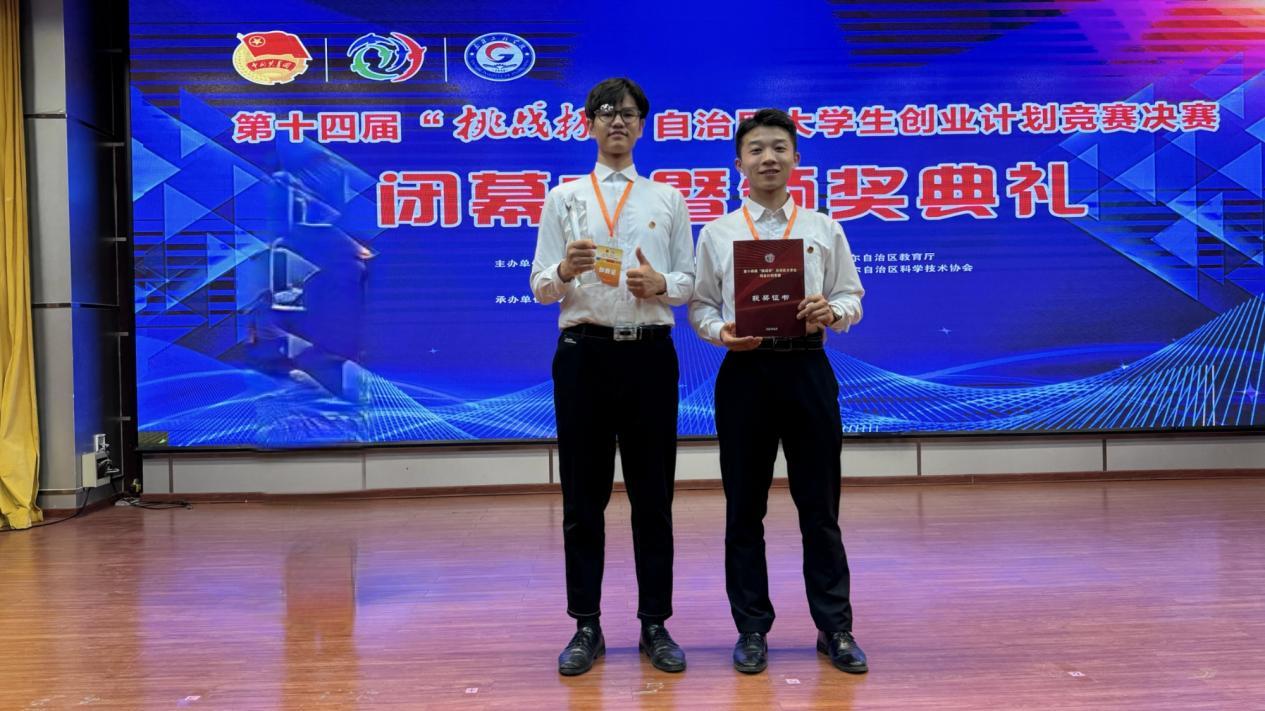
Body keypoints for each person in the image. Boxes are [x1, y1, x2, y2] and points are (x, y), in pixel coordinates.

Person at [689, 108, 867, 675]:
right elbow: (700, 305)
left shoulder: (823, 228)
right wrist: (719, 332)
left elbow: (852, 296)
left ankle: (835, 628)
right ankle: (751, 629)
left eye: (779, 148)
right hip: (745, 373)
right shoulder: (717, 233)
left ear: (796, 158)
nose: (768, 158)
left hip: (808, 367)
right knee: (744, 508)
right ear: (738, 163)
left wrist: (831, 311)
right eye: (757, 149)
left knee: (820, 507)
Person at [530, 77, 695, 676]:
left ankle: (655, 623)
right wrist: (563, 270)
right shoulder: (564, 198)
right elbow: (539, 286)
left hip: (650, 356)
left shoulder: (667, 199)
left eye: (627, 113)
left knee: (654, 499)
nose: (617, 121)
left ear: (642, 124)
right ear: (589, 124)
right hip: (584, 356)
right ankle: (586, 625)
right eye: (605, 112)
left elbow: (689, 283)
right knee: (583, 499)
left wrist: (662, 285)